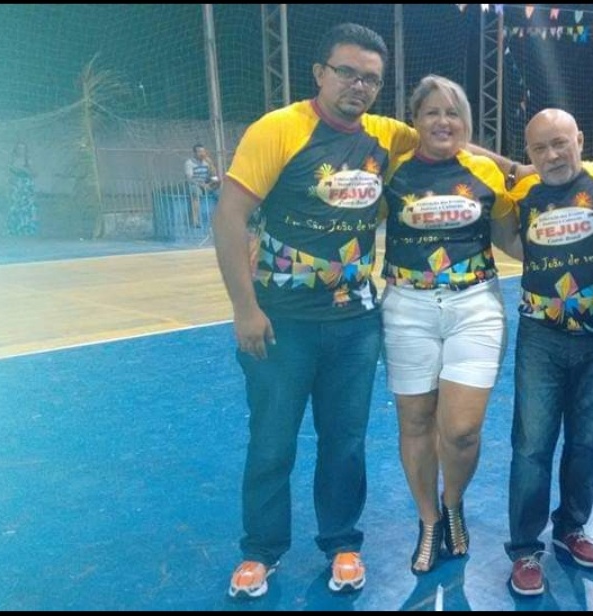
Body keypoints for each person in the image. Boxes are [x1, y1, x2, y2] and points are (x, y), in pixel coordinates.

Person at [211, 23, 420, 600]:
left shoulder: (386, 135)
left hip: (355, 326)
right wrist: (244, 308)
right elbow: (229, 217)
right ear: (319, 73)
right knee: (272, 441)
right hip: (281, 323)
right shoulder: (279, 129)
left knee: (345, 442)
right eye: (347, 72)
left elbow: (447, 137)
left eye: (371, 78)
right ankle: (261, 550)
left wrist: (517, 169)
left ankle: (342, 542)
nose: (359, 85)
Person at [380, 75, 519, 575]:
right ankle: (429, 520)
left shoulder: (484, 171)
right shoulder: (392, 169)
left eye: (453, 113)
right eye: (432, 112)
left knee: (461, 430)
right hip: (406, 309)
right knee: (415, 422)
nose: (443, 121)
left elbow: (512, 240)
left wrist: (575, 248)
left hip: (475, 307)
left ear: (467, 122)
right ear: (414, 120)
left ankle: (453, 501)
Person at [503, 109, 593, 596]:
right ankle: (524, 547)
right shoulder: (521, 195)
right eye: (540, 148)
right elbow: (477, 162)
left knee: (586, 442)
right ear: (529, 155)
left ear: (580, 139)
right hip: (541, 338)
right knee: (531, 445)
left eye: (560, 143)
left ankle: (571, 528)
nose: (552, 155)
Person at [7, 142, 38, 236]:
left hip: (26, 185)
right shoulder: (12, 159)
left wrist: (24, 170)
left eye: (22, 148)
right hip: (16, 185)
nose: (20, 150)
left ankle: (26, 228)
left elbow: (34, 173)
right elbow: (9, 172)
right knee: (15, 206)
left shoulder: (28, 160)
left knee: (26, 207)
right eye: (19, 148)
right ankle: (14, 229)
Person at [184, 143, 219, 227]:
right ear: (194, 153)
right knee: (196, 193)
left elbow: (214, 176)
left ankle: (221, 218)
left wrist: (211, 165)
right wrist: (202, 185)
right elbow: (190, 179)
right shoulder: (189, 163)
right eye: (199, 152)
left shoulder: (207, 162)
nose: (202, 154)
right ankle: (195, 221)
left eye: (203, 151)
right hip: (195, 184)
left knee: (220, 193)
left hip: (206, 184)